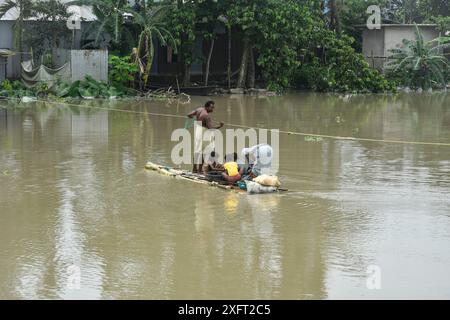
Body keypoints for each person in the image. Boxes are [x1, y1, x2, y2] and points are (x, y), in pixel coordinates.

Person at [187, 101, 224, 173]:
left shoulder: (199, 109)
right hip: (204, 133)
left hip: (198, 131)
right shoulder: (206, 115)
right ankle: (199, 170)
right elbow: (211, 128)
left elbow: (188, 114)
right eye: (211, 107)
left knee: (197, 151)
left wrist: (193, 117)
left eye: (213, 107)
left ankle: (194, 169)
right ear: (207, 107)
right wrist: (220, 126)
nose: (213, 109)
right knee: (204, 152)